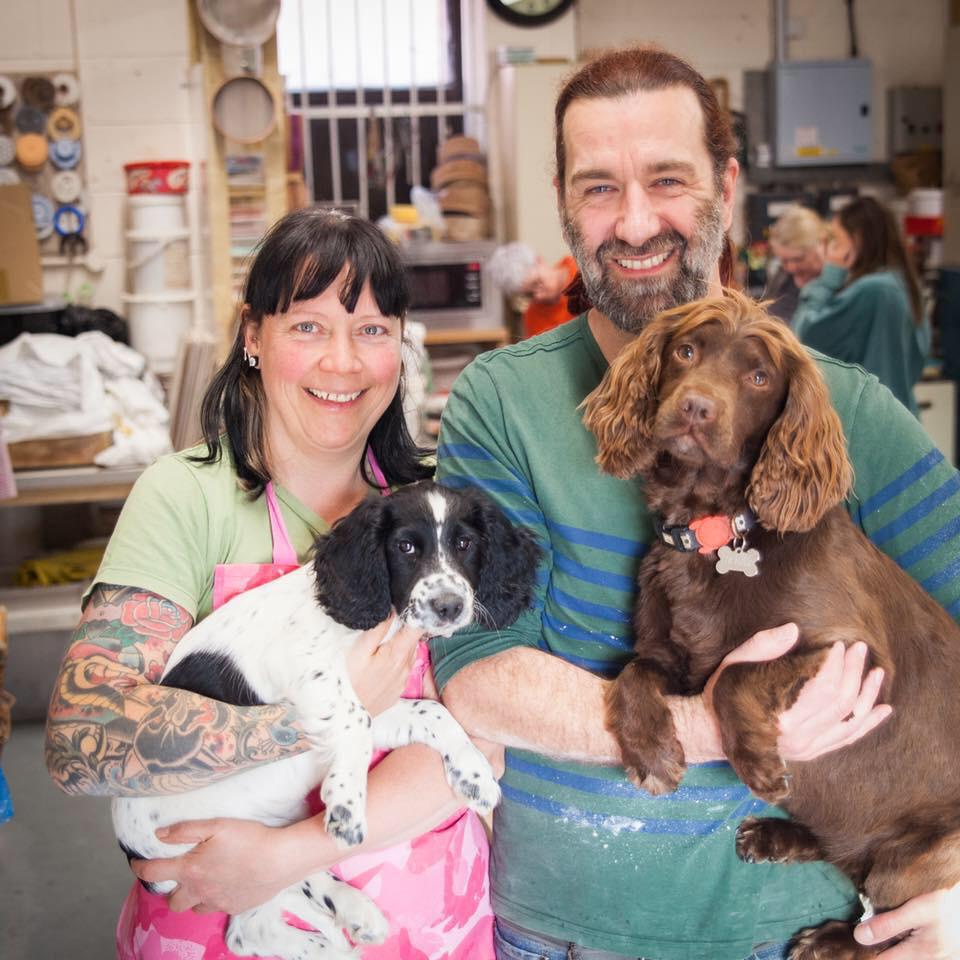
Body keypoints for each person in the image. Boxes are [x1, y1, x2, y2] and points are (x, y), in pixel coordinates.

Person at [432, 46, 960, 960]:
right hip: (563, 933)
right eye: (599, 188)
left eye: (667, 179)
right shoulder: (501, 401)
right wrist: (708, 724)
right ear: (563, 198)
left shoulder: (842, 408)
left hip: (806, 930)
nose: (635, 222)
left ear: (724, 182)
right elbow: (475, 669)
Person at [44, 209, 500, 959]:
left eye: (373, 329)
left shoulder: (439, 513)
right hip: (222, 918)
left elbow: (486, 739)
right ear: (253, 336)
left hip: (425, 923)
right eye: (309, 327)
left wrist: (291, 854)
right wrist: (319, 714)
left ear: (401, 347)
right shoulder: (186, 498)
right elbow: (78, 742)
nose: (343, 363)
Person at [792, 195, 930, 413]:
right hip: (903, 418)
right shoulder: (904, 285)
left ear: (857, 240)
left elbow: (805, 339)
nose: (831, 251)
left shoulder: (873, 290)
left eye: (836, 241)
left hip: (873, 427)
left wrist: (828, 279)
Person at [488, 242, 579, 338]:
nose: (539, 296)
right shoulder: (532, 318)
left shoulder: (583, 273)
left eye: (537, 283)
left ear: (539, 260)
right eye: (530, 294)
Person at [765, 204, 828, 325]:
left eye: (799, 259)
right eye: (784, 260)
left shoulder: (838, 284)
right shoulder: (783, 276)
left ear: (822, 244)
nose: (791, 268)